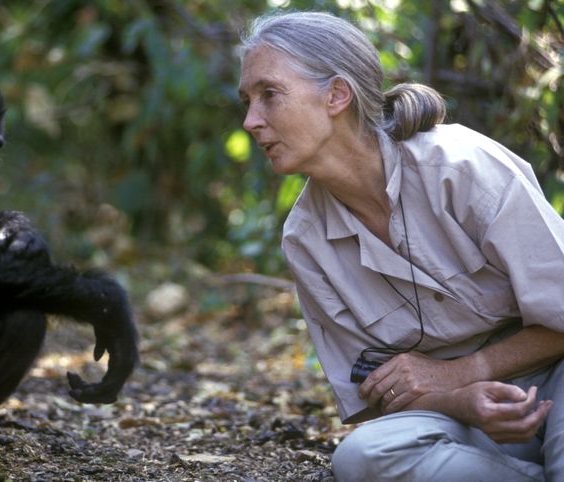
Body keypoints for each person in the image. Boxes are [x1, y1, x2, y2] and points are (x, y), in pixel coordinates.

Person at [237, 10, 563, 482]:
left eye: (269, 95)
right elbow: (370, 395)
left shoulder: (459, 166)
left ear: (336, 95)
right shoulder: (305, 239)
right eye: (247, 101)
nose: (251, 121)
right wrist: (457, 399)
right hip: (461, 418)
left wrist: (464, 371)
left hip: (555, 373)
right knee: (363, 457)